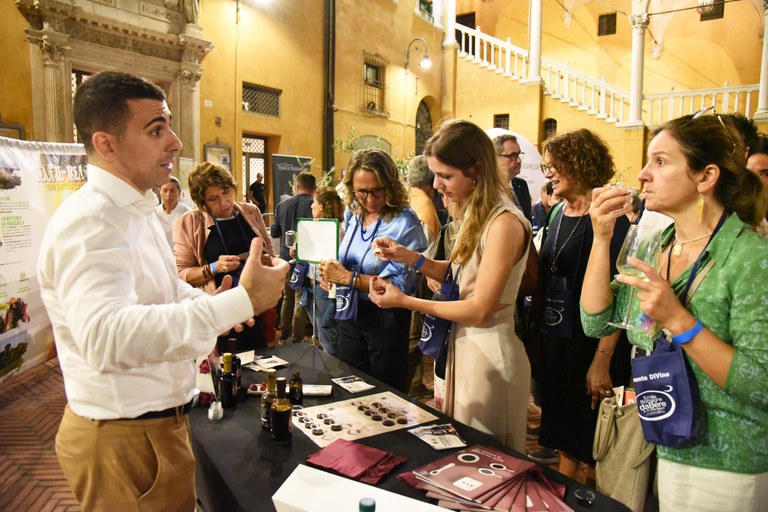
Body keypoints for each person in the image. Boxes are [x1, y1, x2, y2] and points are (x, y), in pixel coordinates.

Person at [37, 71, 288, 511]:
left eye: (169, 126)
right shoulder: (92, 221)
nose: (175, 142)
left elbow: (166, 289)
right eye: (156, 129)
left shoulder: (135, 210)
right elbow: (105, 337)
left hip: (153, 427)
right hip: (123, 437)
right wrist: (241, 300)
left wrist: (214, 306)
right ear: (107, 144)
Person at [581, 114, 768, 511]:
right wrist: (600, 238)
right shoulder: (657, 244)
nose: (644, 174)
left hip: (727, 459)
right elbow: (595, 320)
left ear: (706, 176)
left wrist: (678, 320)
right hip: (663, 439)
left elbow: (761, 383)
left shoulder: (751, 256)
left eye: (661, 162)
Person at [368, 120, 531, 451]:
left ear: (476, 169)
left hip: (490, 355)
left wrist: (405, 302)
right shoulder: (478, 215)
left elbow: (479, 307)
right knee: (467, 455)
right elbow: (460, 276)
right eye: (435, 175)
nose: (437, 185)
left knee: (488, 460)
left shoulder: (504, 223)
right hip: (465, 347)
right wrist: (407, 257)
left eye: (446, 176)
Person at [532, 129, 632, 479]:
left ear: (579, 163)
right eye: (545, 166)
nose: (548, 173)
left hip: (592, 346)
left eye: (553, 165)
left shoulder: (610, 217)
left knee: (592, 442)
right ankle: (566, 495)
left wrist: (601, 362)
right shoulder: (558, 212)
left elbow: (622, 297)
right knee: (562, 435)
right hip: (558, 339)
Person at [318, 149, 427, 392]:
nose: (369, 199)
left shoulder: (404, 221)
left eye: (377, 190)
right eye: (361, 191)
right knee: (351, 386)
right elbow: (345, 259)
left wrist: (348, 278)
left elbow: (399, 285)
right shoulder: (354, 212)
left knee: (385, 394)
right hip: (350, 312)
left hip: (385, 318)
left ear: (391, 185)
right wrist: (331, 275)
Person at [174, 161, 276, 352]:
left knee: (258, 367)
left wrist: (265, 261)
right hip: (218, 312)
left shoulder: (251, 212)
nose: (225, 202)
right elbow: (181, 274)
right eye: (214, 198)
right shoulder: (188, 223)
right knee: (224, 373)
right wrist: (214, 267)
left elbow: (270, 254)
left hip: (254, 309)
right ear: (202, 202)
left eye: (226, 192)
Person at [406, 155, 442, 398]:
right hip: (419, 279)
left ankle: (413, 383)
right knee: (416, 337)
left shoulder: (408, 198)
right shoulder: (427, 207)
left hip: (407, 275)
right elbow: (429, 251)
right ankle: (412, 385)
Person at [298, 186, 345, 356]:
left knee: (328, 336)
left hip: (325, 288)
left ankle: (333, 373)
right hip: (312, 287)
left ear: (323, 206)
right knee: (321, 334)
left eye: (315, 203)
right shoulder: (317, 228)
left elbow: (334, 262)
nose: (311, 206)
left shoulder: (336, 231)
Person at [271, 172, 316, 344]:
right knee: (300, 297)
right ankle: (298, 339)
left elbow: (274, 232)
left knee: (287, 297)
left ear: (296, 187)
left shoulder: (282, 205)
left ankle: (283, 335)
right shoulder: (314, 205)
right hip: (305, 260)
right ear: (314, 189)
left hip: (284, 258)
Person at [494, 133, 532, 222]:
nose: (519, 160)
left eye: (518, 154)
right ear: (495, 158)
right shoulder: (485, 189)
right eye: (512, 156)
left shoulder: (521, 185)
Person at [155, 176, 190, 247]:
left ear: (179, 192)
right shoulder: (153, 213)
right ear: (159, 192)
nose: (168, 195)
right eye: (165, 190)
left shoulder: (188, 214)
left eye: (172, 191)